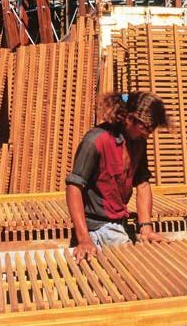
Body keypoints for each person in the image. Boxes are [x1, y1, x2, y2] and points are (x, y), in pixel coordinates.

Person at [66, 91, 171, 262]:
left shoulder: (138, 142)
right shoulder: (96, 141)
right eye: (145, 127)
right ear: (129, 119)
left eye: (152, 129)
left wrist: (146, 228)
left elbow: (143, 184)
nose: (148, 134)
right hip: (98, 226)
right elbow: (74, 187)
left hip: (118, 222)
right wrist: (84, 239)